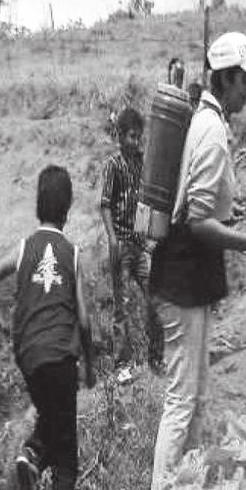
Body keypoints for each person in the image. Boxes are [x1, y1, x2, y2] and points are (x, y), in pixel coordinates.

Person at [147, 31, 246, 490]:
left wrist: (232, 220)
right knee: (182, 402)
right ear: (225, 78)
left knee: (193, 396)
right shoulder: (210, 130)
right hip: (182, 276)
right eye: (244, 79)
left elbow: (200, 204)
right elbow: (198, 221)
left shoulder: (208, 122)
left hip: (188, 276)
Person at [0, 164, 96, 490]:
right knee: (69, 462)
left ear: (39, 204)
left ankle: (30, 456)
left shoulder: (23, 247)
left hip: (27, 356)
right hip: (60, 356)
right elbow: (85, 320)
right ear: (68, 207)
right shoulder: (73, 254)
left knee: (51, 419)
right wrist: (90, 365)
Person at [99, 105, 163, 382]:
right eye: (131, 137)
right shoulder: (113, 166)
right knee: (122, 304)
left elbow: (146, 201)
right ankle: (122, 365)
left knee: (156, 296)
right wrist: (113, 240)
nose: (136, 142)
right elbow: (104, 206)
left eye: (139, 137)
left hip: (139, 243)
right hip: (122, 245)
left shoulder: (141, 163)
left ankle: (156, 356)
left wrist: (149, 237)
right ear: (120, 136)